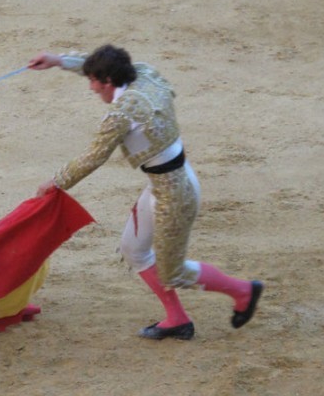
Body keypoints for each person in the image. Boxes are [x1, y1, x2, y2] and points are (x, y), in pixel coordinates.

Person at [29, 44, 263, 340]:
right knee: (133, 250)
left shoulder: (121, 114)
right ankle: (177, 318)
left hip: (174, 194)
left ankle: (243, 291)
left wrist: (56, 181)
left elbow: (94, 157)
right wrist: (57, 61)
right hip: (167, 182)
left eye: (93, 82)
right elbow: (99, 65)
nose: (90, 87)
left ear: (108, 82)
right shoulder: (142, 74)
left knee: (173, 272)